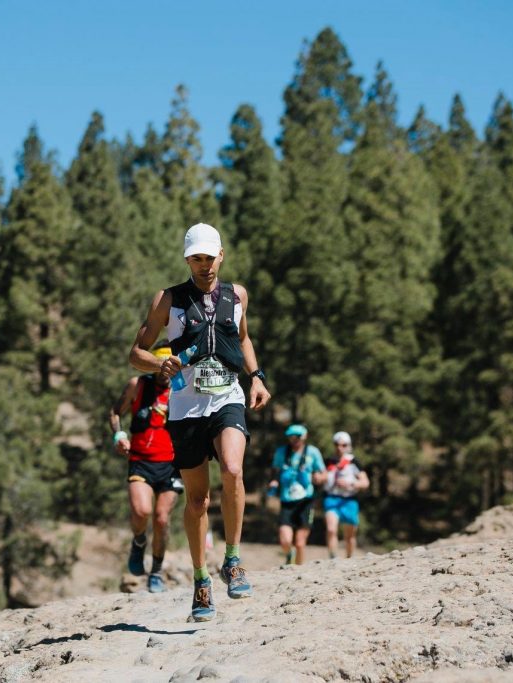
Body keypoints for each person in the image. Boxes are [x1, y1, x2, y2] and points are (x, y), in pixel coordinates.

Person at [129, 222, 271, 622]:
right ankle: (201, 580)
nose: (204, 265)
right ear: (188, 260)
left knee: (233, 469)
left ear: (221, 255)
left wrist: (257, 377)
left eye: (210, 257)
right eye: (196, 258)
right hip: (187, 406)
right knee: (197, 501)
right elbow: (135, 352)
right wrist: (160, 363)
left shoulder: (237, 295)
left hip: (228, 396)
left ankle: (233, 559)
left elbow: (242, 338)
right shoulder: (168, 300)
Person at [108, 342, 184, 593]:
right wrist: (118, 436)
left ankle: (157, 571)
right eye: (159, 367)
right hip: (140, 460)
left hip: (172, 465)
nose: (164, 373)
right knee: (141, 512)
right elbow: (115, 412)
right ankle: (139, 541)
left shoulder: (182, 391)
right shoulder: (137, 386)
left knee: (162, 518)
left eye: (168, 368)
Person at [268, 424, 326, 565]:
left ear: (303, 437)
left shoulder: (312, 452)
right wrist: (274, 482)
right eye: (290, 437)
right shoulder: (281, 452)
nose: (293, 440)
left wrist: (319, 478)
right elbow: (275, 471)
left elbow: (324, 473)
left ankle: (299, 569)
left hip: (306, 501)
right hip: (287, 500)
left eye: (296, 437)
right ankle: (290, 555)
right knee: (285, 540)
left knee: (300, 543)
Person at [322, 431, 369, 559]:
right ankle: (333, 559)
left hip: (349, 500)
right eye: (337, 444)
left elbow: (365, 483)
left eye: (343, 445)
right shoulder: (328, 462)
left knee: (350, 536)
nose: (339, 447)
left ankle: (349, 559)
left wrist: (350, 483)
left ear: (348, 446)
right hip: (331, 498)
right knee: (331, 530)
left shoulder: (354, 462)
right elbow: (320, 477)